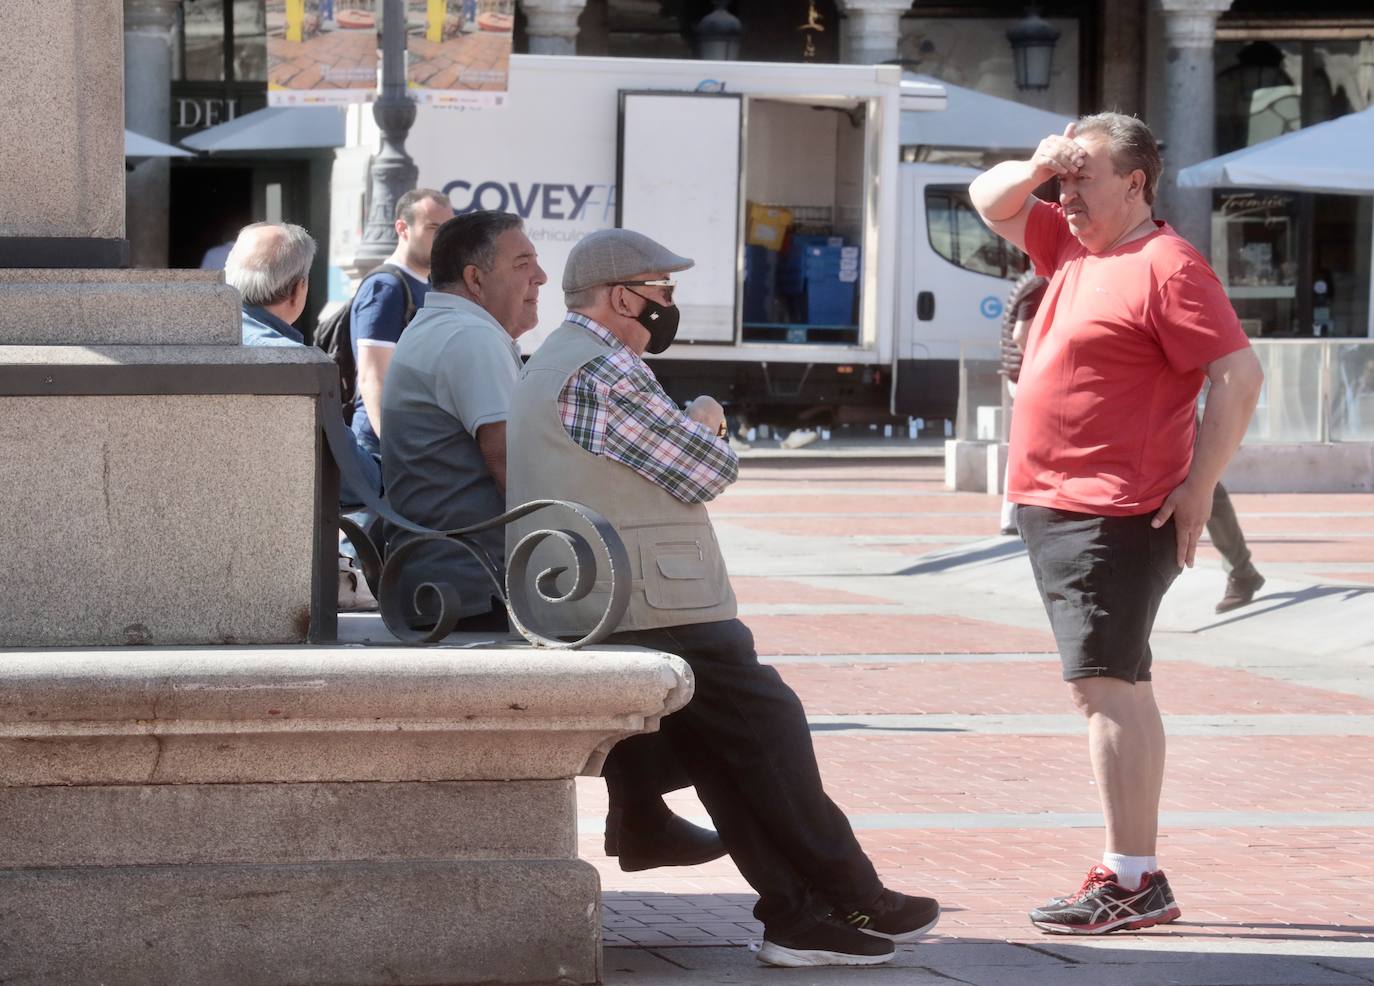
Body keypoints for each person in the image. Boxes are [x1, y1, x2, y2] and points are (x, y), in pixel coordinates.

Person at [505, 228, 941, 968]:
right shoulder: (601, 369)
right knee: (767, 728)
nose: (669, 305)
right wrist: (705, 418)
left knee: (732, 748)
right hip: (646, 602)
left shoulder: (574, 363)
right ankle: (846, 891)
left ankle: (800, 914)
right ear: (622, 298)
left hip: (610, 595)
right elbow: (702, 469)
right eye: (661, 291)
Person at [969, 114, 1264, 934]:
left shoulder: (1166, 266)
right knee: (1114, 684)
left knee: (1106, 691)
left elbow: (1238, 377)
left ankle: (1132, 878)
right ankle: (1134, 873)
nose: (1066, 193)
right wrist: (1038, 162)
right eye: (1062, 179)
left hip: (1112, 509)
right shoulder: (1073, 245)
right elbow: (986, 198)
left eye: (1083, 175)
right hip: (1061, 506)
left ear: (1135, 183)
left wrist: (1201, 485)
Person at [381, 211, 726, 872]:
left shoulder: (445, 328)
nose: (542, 276)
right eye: (523, 263)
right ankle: (651, 819)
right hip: (471, 577)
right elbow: (518, 464)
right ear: (478, 278)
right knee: (659, 632)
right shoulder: (470, 339)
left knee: (637, 620)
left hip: (445, 562)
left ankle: (644, 818)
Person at [1001, 273, 1265, 611]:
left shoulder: (1152, 271)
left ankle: (1241, 569)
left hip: (1155, 396)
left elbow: (1238, 372)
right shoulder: (1060, 277)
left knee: (1202, 483)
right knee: (1201, 482)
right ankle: (1241, 570)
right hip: (1131, 401)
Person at [225, 222, 384, 608]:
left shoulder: (186, 345)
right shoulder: (295, 362)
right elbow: (354, 479)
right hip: (275, 568)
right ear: (299, 290)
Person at [998, 270, 1047, 536]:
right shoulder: (1039, 282)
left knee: (1023, 446)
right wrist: (1042, 363)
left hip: (1018, 375)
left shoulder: (1030, 279)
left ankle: (1012, 514)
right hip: (1025, 377)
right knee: (1025, 448)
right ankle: (1011, 515)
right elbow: (1021, 334)